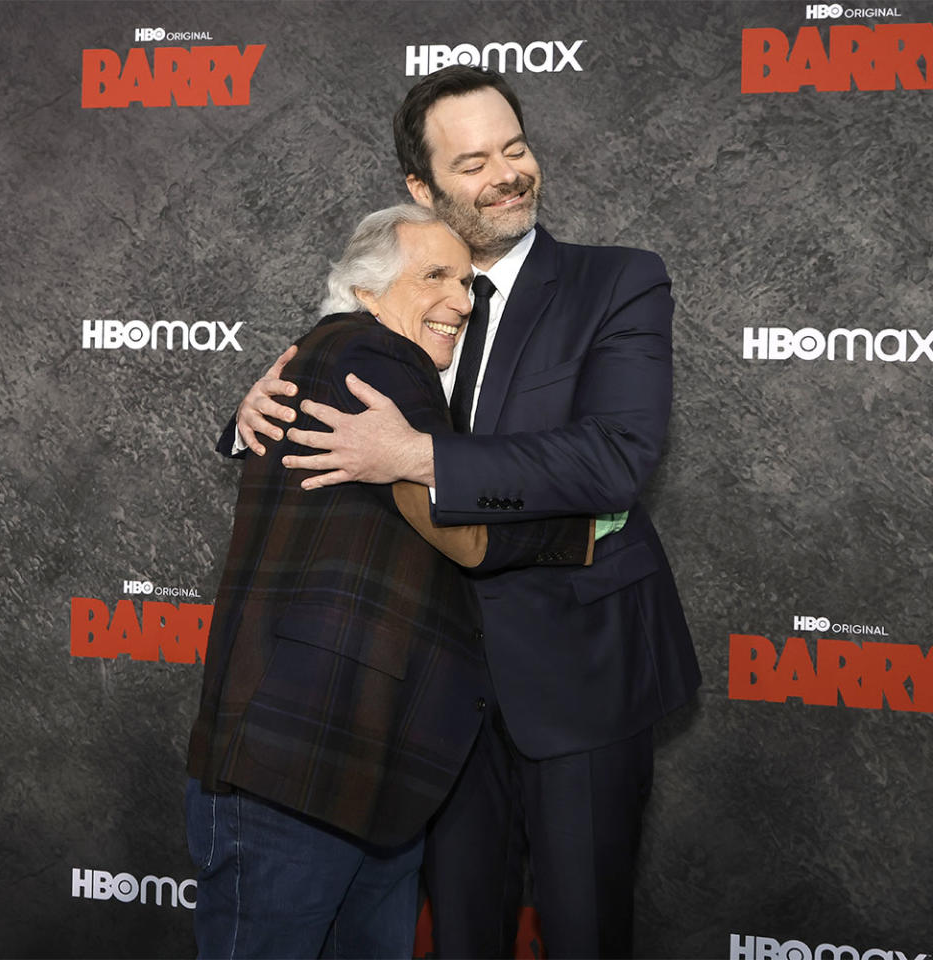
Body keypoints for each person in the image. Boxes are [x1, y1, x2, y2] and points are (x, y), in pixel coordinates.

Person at [222, 67, 701, 959]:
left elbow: (615, 459)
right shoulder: (405, 288)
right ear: (422, 187)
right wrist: (248, 414)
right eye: (474, 162)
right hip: (434, 688)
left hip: (579, 677)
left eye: (515, 150)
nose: (507, 175)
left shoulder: (620, 283)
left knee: (586, 932)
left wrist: (419, 457)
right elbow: (334, 377)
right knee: (458, 933)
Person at [187, 204, 594, 960]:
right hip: (303, 765)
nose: (461, 300)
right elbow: (465, 534)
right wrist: (585, 527)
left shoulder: (341, 356)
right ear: (366, 290)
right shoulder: (377, 359)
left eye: (468, 283)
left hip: (354, 773)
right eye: (434, 275)